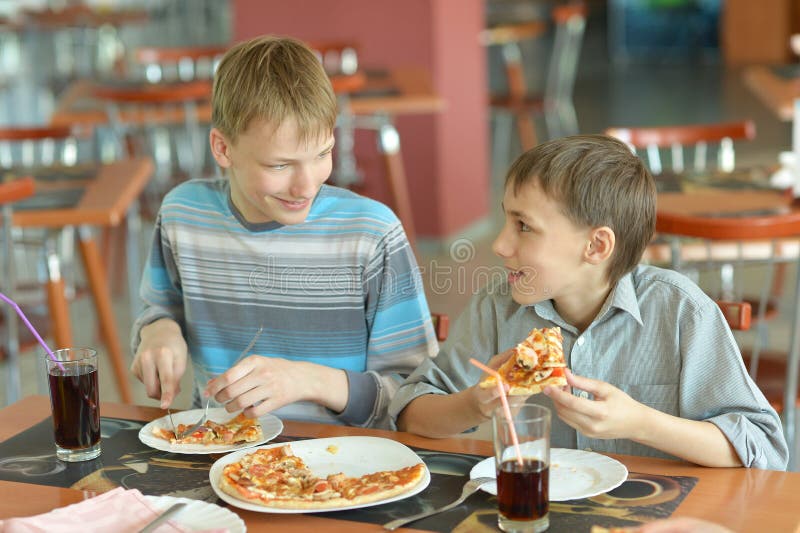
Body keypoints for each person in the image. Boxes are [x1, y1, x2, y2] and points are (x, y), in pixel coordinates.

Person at [389, 135, 788, 469]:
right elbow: (410, 413)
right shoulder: (497, 308)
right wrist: (474, 405)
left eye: (524, 226)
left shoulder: (682, 312)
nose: (499, 244)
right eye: (506, 221)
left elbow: (764, 449)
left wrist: (640, 423)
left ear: (596, 246)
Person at [130, 35, 437, 428]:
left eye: (322, 154)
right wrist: (159, 330)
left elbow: (415, 397)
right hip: (220, 454)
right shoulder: (182, 215)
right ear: (222, 149)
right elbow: (160, 306)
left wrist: (308, 380)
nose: (306, 186)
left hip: (347, 468)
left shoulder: (371, 235)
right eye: (279, 165)